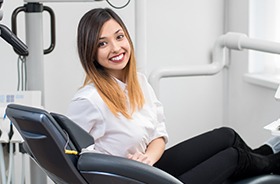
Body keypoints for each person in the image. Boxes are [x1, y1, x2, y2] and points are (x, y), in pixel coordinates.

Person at [66, 8, 280, 184]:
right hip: (132, 181)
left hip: (149, 170)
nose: (116, 48)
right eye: (102, 43)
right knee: (233, 158)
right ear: (90, 53)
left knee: (227, 135)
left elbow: (158, 134)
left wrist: (148, 157)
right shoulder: (89, 101)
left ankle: (264, 155)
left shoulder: (138, 82)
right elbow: (73, 165)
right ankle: (271, 163)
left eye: (119, 37)